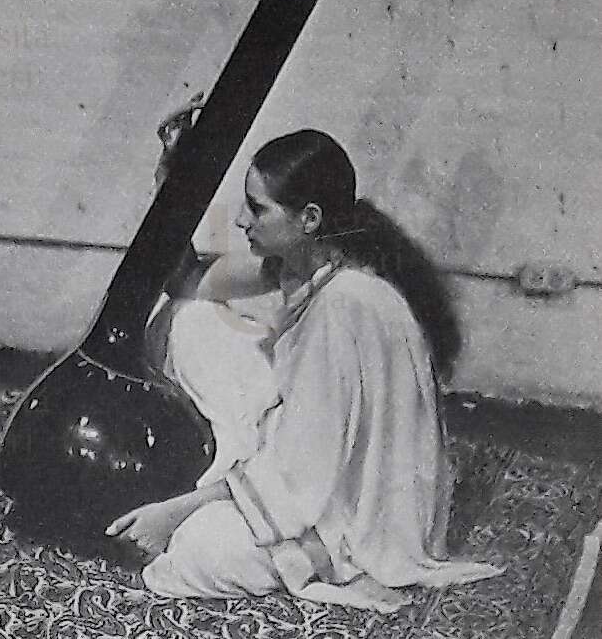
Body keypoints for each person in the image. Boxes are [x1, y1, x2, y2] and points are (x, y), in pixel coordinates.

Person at [107, 112, 501, 611]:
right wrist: (174, 180)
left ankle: (248, 505)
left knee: (197, 549)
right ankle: (233, 475)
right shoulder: (304, 264)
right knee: (184, 318)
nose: (240, 220)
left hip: (349, 512)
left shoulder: (345, 302)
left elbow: (300, 476)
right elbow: (187, 281)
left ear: (309, 219)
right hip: (308, 457)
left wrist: (174, 513)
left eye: (257, 208)